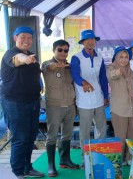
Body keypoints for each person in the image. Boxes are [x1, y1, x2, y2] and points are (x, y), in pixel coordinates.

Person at [1, 26, 44, 178]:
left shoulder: (32, 56)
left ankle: (27, 167)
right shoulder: (11, 54)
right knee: (20, 138)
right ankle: (17, 172)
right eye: (23, 37)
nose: (26, 40)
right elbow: (17, 59)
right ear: (15, 38)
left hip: (32, 102)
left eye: (29, 37)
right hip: (15, 103)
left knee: (31, 137)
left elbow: (35, 76)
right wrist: (24, 58)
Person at [70, 29, 109, 167]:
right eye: (88, 40)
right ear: (82, 42)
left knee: (102, 130)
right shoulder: (76, 58)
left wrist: (106, 95)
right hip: (84, 102)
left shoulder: (100, 57)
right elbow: (75, 75)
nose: (91, 42)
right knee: (85, 132)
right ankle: (84, 159)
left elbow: (103, 78)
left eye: (93, 39)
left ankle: (100, 156)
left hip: (98, 100)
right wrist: (83, 82)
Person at [41, 40, 80, 177]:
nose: (63, 53)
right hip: (54, 106)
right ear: (53, 50)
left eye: (66, 50)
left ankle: (65, 160)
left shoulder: (70, 67)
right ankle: (51, 165)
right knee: (51, 137)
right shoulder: (46, 63)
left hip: (70, 105)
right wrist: (56, 65)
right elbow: (49, 67)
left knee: (67, 135)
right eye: (60, 50)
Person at [107, 46, 133, 165]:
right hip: (119, 108)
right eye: (121, 57)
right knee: (120, 136)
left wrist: (125, 71)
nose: (124, 60)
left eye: (126, 57)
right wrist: (119, 71)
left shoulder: (130, 71)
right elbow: (111, 76)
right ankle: (119, 160)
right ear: (115, 57)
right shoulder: (111, 68)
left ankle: (131, 158)